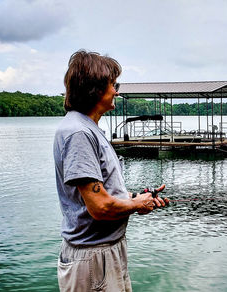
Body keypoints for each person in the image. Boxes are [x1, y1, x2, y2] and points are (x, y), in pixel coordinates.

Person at [53, 50, 169, 292]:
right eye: (112, 84)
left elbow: (103, 196)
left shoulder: (88, 129)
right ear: (94, 88)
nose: (117, 91)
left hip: (104, 253)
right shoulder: (79, 133)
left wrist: (136, 199)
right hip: (93, 259)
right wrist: (137, 205)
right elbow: (100, 207)